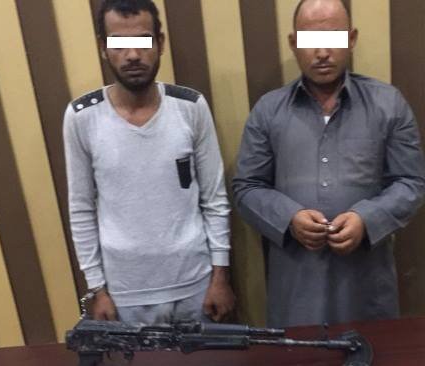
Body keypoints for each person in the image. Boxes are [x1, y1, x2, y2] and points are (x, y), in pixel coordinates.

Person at [232, 0, 425, 327]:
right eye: (310, 40)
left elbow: (411, 182)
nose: (322, 52)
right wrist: (289, 218)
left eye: (333, 38)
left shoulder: (388, 104)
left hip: (366, 290)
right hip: (296, 293)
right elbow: (246, 187)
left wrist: (366, 219)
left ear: (351, 38)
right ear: (293, 43)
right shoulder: (268, 111)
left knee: (372, 356)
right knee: (298, 359)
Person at [64, 0, 235, 324]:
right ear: (103, 48)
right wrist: (96, 288)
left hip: (197, 287)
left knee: (210, 361)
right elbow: (81, 209)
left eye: (143, 41)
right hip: (124, 295)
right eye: (119, 44)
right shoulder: (82, 117)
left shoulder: (190, 107)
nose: (132, 55)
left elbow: (214, 199)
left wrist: (220, 277)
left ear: (160, 43)